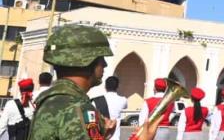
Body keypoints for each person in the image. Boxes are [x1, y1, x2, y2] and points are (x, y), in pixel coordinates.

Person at [29, 24, 160, 140]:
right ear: (85, 61)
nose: (105, 64)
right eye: (100, 58)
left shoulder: (52, 100)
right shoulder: (76, 108)